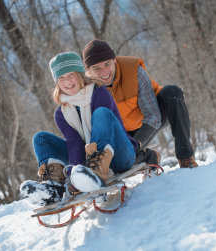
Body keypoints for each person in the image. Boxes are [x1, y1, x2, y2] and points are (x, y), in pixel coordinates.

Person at [20, 52, 150, 206]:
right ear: (56, 82)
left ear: (80, 74)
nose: (67, 81)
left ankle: (97, 174)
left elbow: (102, 129)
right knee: (40, 138)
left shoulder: (99, 92)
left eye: (71, 75)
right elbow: (74, 143)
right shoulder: (61, 113)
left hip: (119, 154)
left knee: (101, 113)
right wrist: (72, 178)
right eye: (61, 77)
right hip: (88, 161)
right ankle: (54, 188)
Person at [82, 40, 198, 168]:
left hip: (154, 115)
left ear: (114, 59)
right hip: (124, 132)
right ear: (88, 69)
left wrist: (135, 143)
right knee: (119, 160)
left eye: (107, 64)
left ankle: (186, 157)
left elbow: (153, 115)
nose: (104, 72)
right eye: (96, 68)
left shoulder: (133, 71)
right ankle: (150, 158)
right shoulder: (87, 90)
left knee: (172, 92)